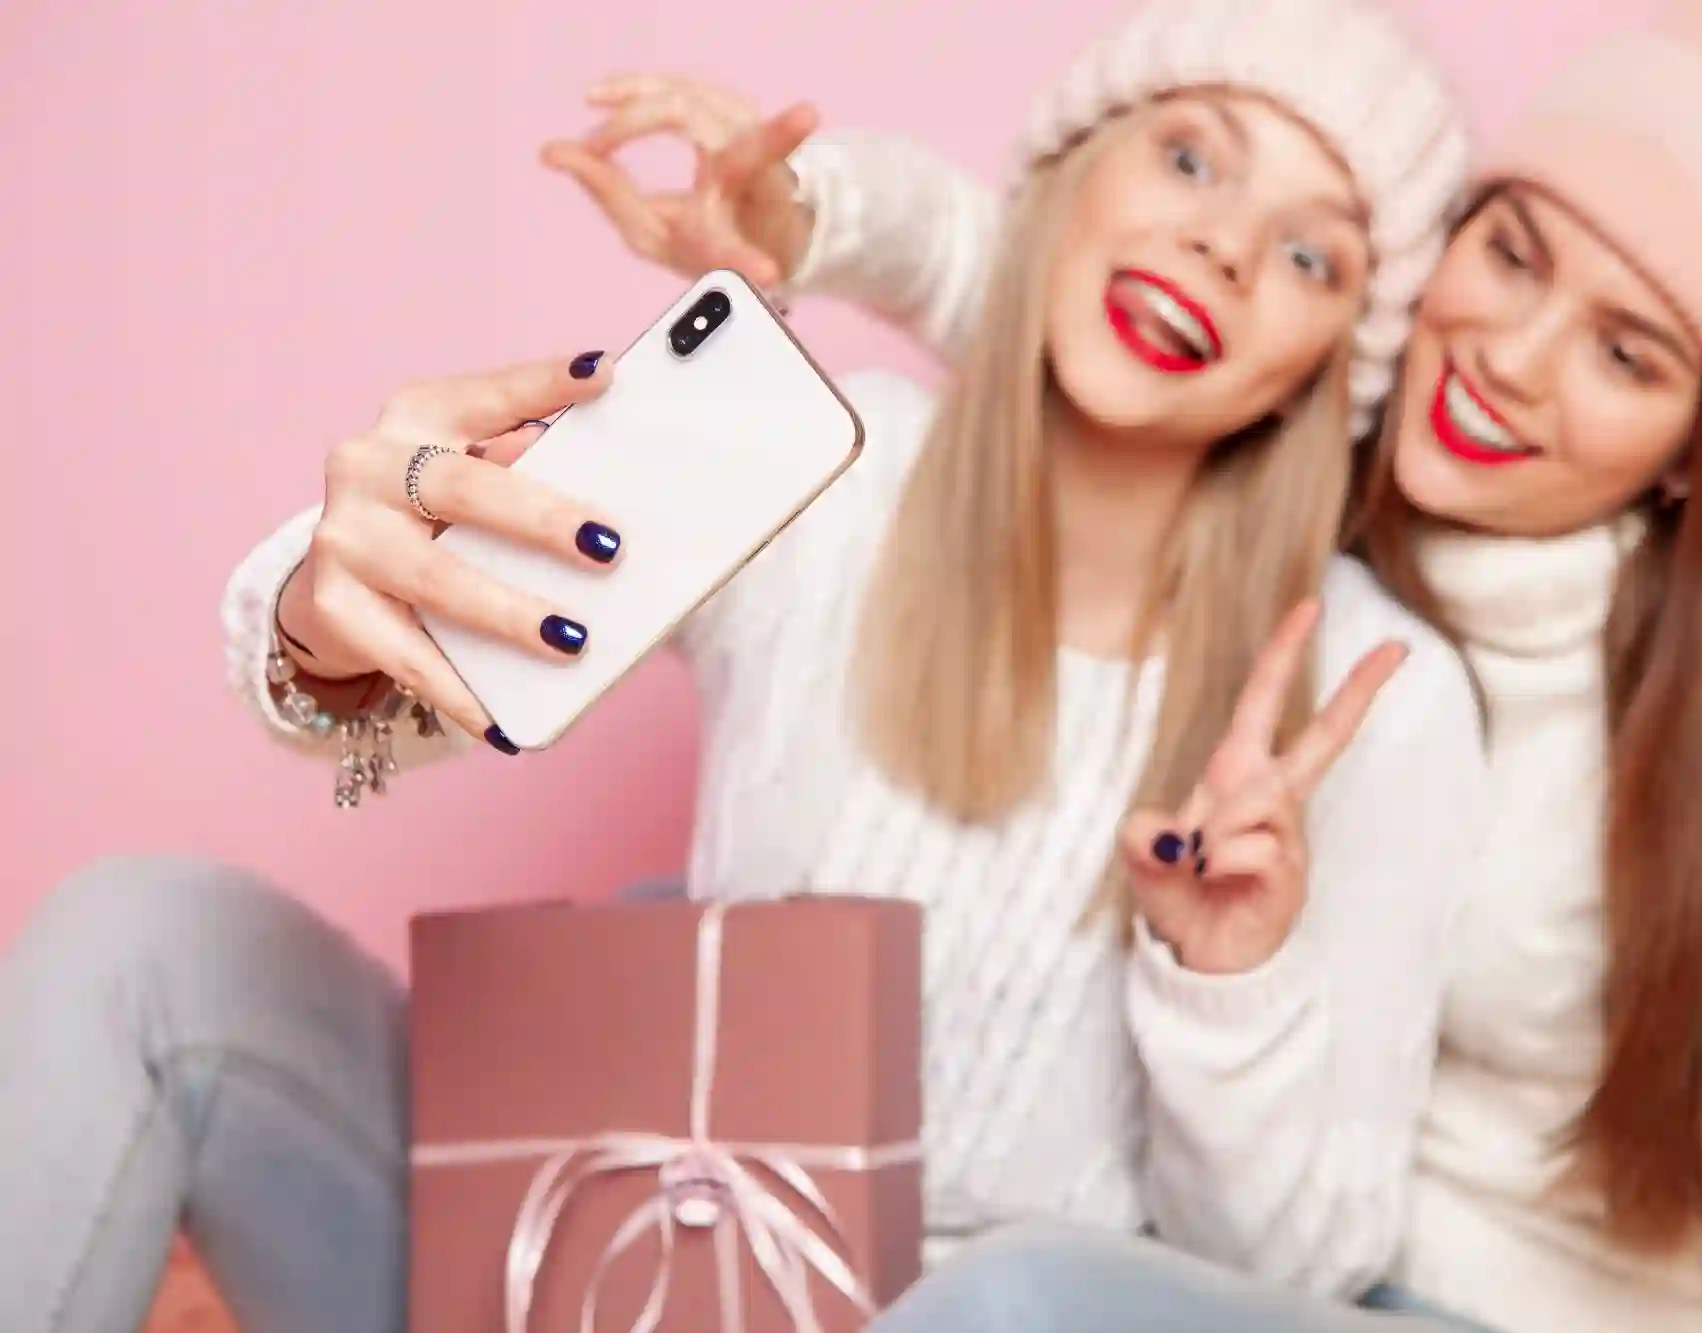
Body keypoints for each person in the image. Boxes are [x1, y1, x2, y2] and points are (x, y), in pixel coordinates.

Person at [0, 3, 1490, 1332]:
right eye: (1188, 158)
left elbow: (1298, 1272)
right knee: (147, 937)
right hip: (632, 1274)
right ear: (1063, 177)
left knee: (1002, 1299)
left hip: (1030, 1316)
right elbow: (384, 724)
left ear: (1328, 364)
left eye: (1310, 252)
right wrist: (330, 624)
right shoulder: (824, 470)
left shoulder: (1374, 692)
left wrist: (1223, 984)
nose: (1227, 242)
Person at [547, 0, 1702, 1328]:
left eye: (1630, 357)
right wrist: (808, 216)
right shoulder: (1320, 429)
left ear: (1693, 457)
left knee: (1009, 1290)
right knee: (665, 935)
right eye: (1509, 257)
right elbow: (1098, 285)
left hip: (1499, 1304)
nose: (1512, 361)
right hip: (1285, 1254)